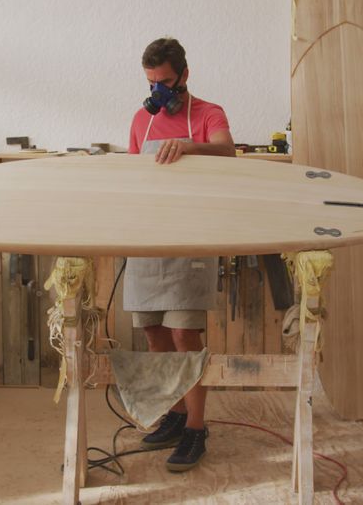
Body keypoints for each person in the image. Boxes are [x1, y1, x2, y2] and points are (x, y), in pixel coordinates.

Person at [123, 37, 235, 472]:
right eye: (151, 83)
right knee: (154, 333)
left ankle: (196, 428)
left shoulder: (208, 114)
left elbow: (228, 151)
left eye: (165, 82)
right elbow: (133, 174)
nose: (158, 91)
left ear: (184, 76)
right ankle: (172, 416)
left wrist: (191, 147)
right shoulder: (141, 120)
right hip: (147, 238)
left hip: (190, 237)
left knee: (185, 335)